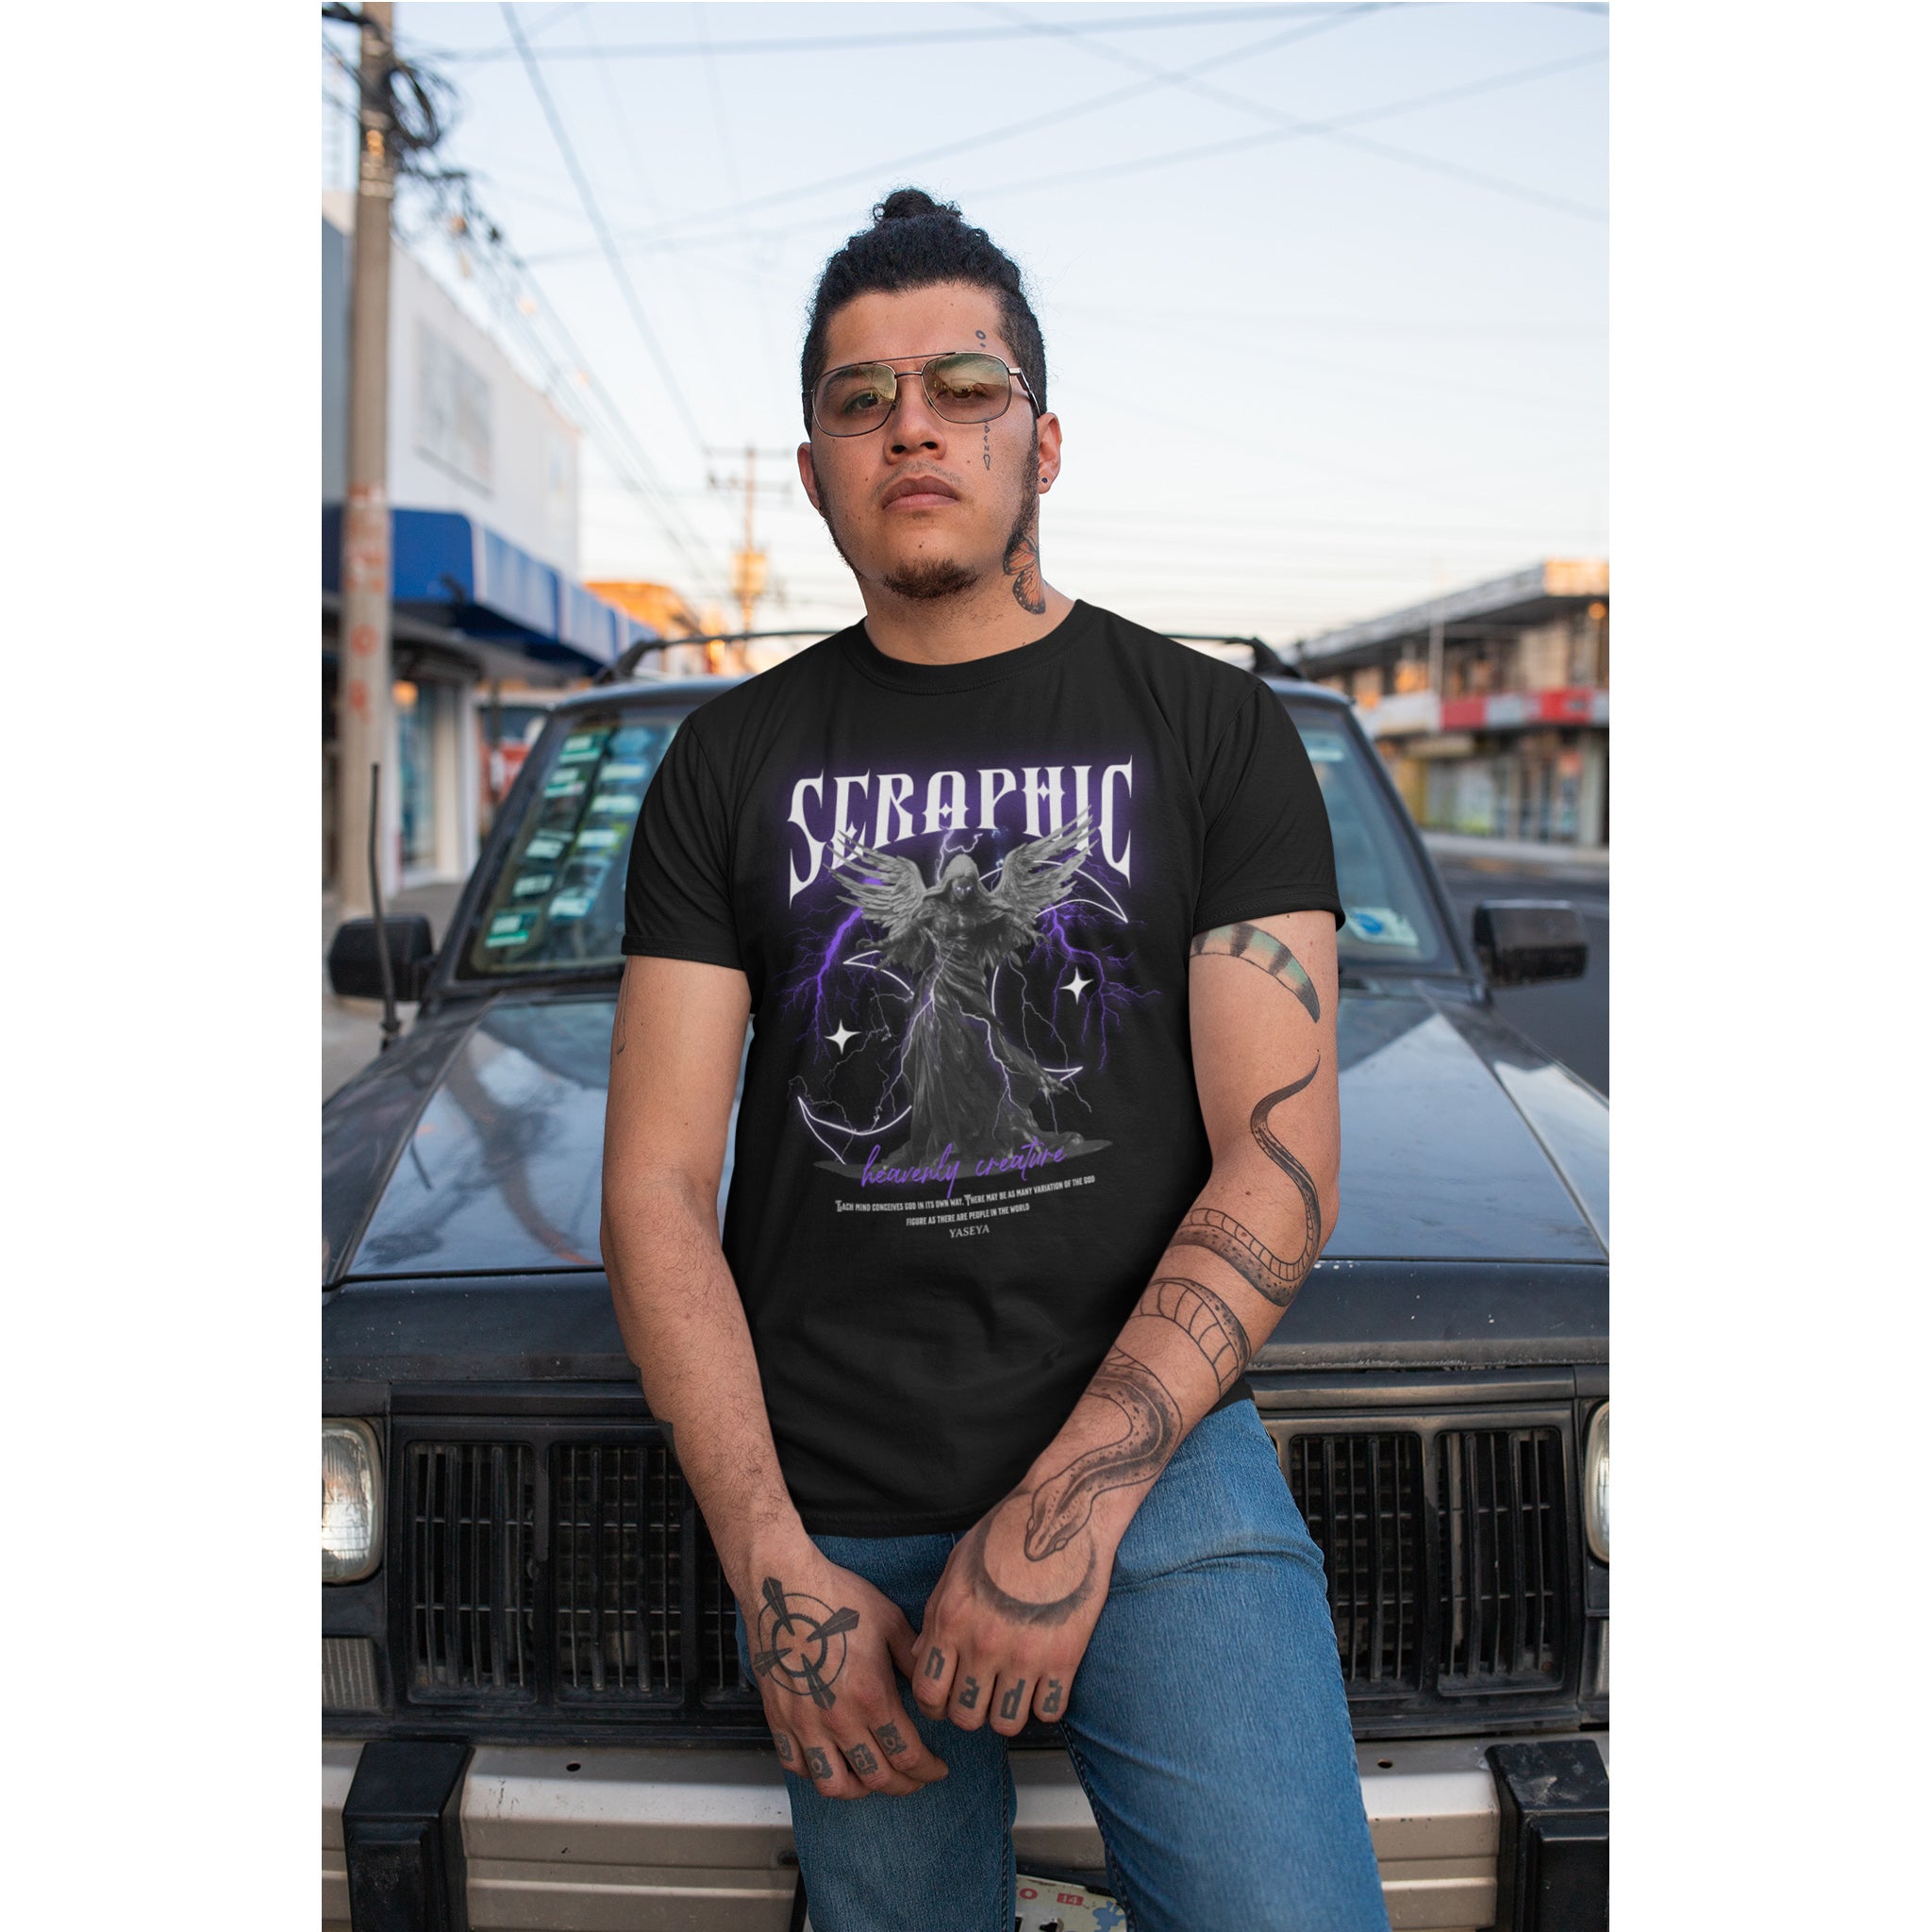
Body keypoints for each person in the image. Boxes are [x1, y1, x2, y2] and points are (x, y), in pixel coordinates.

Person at [603, 188, 1390, 1932]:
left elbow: (1280, 1156)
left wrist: (1064, 1511)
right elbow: (657, 1186)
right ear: (813, 472)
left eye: (962, 384)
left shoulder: (1208, 731)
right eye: (861, 400)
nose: (915, 427)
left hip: (1158, 1468)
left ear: (1042, 436)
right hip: (836, 1510)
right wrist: (774, 1569)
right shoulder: (727, 768)